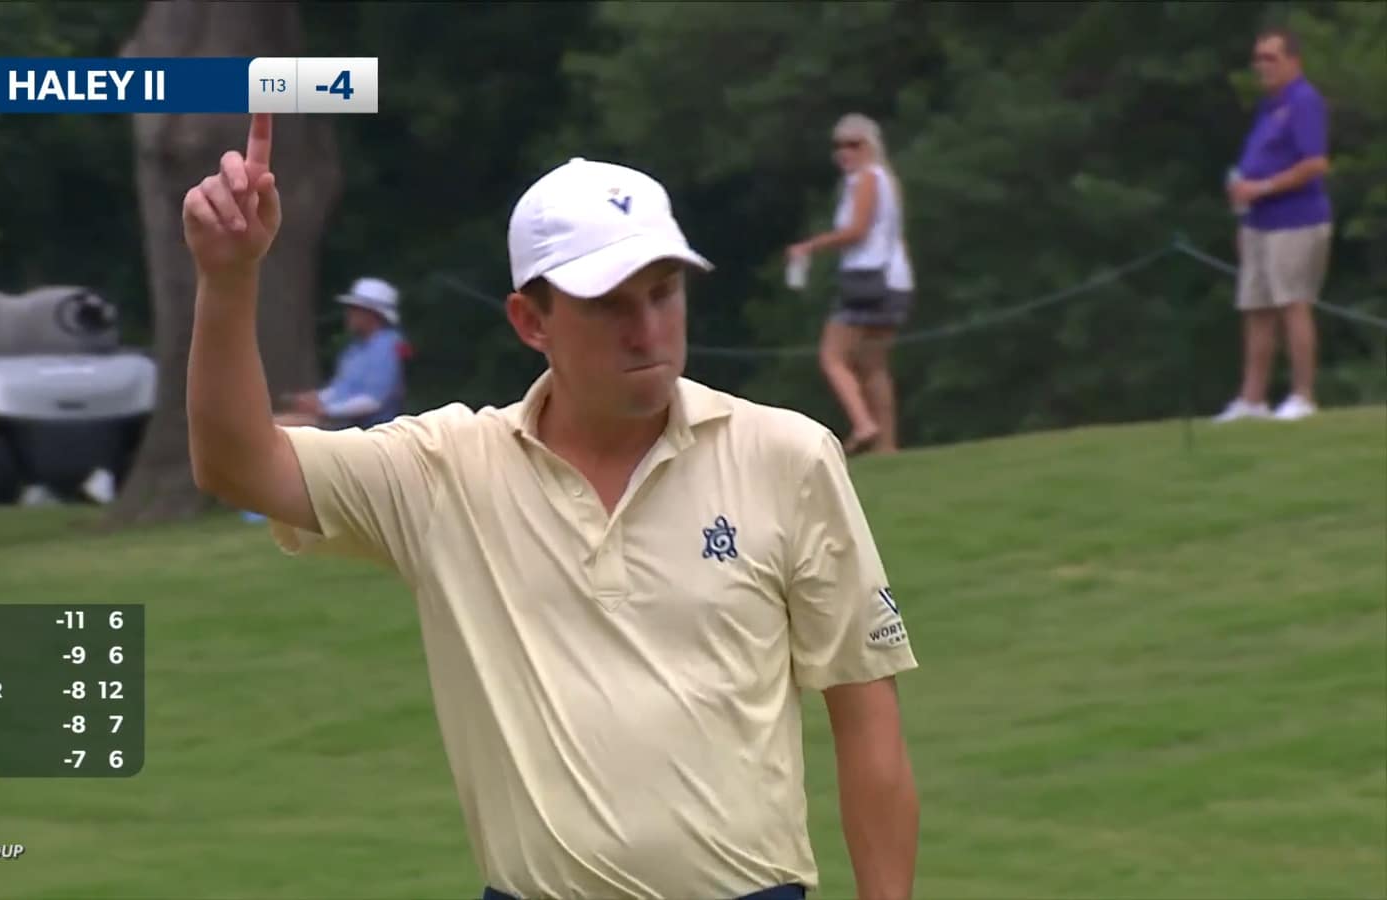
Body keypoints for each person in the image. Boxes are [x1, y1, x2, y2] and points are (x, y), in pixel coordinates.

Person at [185, 115, 920, 900]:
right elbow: (238, 464)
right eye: (609, 305)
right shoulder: (444, 470)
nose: (648, 331)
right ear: (531, 321)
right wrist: (228, 282)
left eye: (664, 294)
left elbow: (865, 710)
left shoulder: (788, 456)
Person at [1217, 25, 1332, 423]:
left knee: (1293, 304)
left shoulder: (1304, 101)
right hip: (1258, 223)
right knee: (1256, 308)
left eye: (1271, 58)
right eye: (1258, 58)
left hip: (1295, 220)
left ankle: (1302, 396)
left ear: (1293, 61)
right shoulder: (1270, 105)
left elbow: (1314, 163)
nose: (1262, 66)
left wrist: (1263, 187)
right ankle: (1252, 400)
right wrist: (1244, 200)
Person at [788, 114, 912, 455]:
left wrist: (809, 247)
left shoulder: (866, 179)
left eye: (854, 144)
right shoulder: (886, 180)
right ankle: (887, 446)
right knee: (874, 366)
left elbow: (857, 230)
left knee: (832, 356)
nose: (845, 152)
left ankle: (862, 423)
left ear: (870, 146)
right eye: (839, 146)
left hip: (867, 280)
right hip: (895, 281)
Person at [276, 276, 409, 430]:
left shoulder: (387, 347)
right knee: (272, 425)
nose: (348, 314)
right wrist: (314, 398)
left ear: (372, 314)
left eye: (355, 309)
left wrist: (326, 410)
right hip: (339, 422)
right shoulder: (356, 347)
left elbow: (374, 401)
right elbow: (341, 388)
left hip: (366, 430)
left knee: (273, 430)